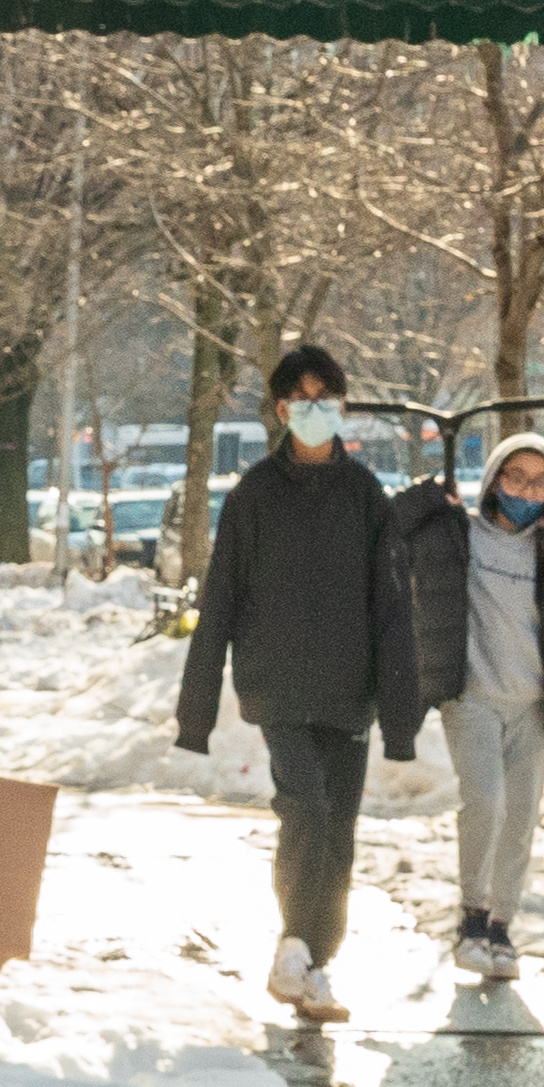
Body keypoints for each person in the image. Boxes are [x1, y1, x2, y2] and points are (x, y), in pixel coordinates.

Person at [172, 343, 420, 1017]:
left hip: (350, 693)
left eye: (327, 400)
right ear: (281, 409)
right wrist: (194, 714)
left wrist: (400, 717)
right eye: (303, 401)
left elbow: (393, 607)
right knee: (304, 806)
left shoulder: (365, 495)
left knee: (338, 830)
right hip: (278, 687)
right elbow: (220, 600)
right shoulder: (254, 495)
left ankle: (310, 956)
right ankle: (292, 946)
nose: (316, 412)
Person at [432, 432, 544, 983]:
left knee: (519, 819)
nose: (527, 491)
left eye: (541, 482)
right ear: (493, 480)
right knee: (484, 802)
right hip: (473, 697)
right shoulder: (463, 537)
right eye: (516, 478)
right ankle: (471, 918)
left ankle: (501, 927)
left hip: (534, 702)